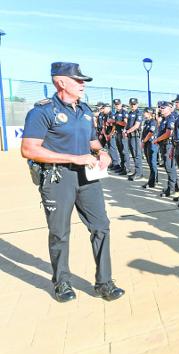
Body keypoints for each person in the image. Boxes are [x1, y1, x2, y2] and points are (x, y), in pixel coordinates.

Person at [21, 62, 124, 302]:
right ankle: (62, 283)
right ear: (61, 82)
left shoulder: (85, 111)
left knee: (101, 227)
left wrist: (104, 153)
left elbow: (93, 142)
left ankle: (105, 282)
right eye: (78, 80)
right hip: (58, 178)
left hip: (87, 179)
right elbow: (28, 149)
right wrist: (73, 157)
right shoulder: (42, 112)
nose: (83, 84)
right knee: (60, 233)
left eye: (83, 81)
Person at [153, 101, 177, 197]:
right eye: (160, 108)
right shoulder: (164, 119)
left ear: (170, 108)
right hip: (164, 145)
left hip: (169, 145)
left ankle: (171, 188)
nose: (161, 109)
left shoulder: (171, 118)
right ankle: (174, 186)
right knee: (169, 167)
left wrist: (157, 139)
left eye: (163, 108)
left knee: (169, 167)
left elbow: (168, 133)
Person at [126, 98, 144, 181]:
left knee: (137, 154)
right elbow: (128, 124)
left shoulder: (139, 113)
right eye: (131, 104)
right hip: (130, 136)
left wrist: (128, 131)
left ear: (137, 104)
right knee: (133, 154)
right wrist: (125, 130)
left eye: (134, 104)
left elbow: (137, 125)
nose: (132, 105)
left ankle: (139, 173)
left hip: (135, 136)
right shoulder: (130, 113)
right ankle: (136, 171)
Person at [140, 107, 159, 189]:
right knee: (150, 162)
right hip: (147, 143)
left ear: (149, 113)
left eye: (145, 112)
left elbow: (150, 133)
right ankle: (153, 180)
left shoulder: (153, 122)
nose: (144, 114)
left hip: (152, 144)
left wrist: (143, 141)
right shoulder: (147, 122)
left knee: (152, 162)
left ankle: (152, 182)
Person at [112, 98, 129, 175]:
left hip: (123, 133)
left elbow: (125, 123)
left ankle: (126, 168)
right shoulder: (116, 113)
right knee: (120, 151)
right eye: (115, 105)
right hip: (117, 133)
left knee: (124, 151)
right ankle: (122, 168)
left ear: (121, 104)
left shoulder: (124, 112)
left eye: (118, 104)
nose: (117, 106)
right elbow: (115, 124)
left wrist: (116, 122)